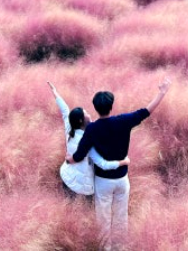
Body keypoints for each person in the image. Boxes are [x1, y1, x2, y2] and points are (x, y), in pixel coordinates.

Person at [67, 77, 171, 250]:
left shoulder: (92, 129)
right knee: (121, 217)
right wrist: (162, 92)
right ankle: (121, 248)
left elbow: (79, 155)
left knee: (103, 219)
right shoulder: (123, 121)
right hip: (122, 180)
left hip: (103, 182)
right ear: (111, 106)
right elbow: (146, 111)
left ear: (95, 108)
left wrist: (69, 159)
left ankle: (106, 249)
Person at [48, 82, 129, 199]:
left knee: (68, 208)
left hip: (67, 177)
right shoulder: (90, 141)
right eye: (86, 113)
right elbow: (103, 164)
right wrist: (123, 162)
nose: (89, 114)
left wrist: (55, 92)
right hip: (83, 187)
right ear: (81, 120)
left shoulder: (70, 128)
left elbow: (65, 110)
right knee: (85, 213)